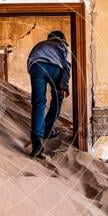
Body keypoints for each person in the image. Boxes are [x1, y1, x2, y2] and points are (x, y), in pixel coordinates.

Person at [27, 30, 71, 158]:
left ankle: (37, 139)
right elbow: (66, 66)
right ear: (62, 39)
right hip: (54, 67)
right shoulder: (60, 46)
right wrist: (64, 85)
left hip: (35, 66)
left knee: (38, 102)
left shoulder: (41, 44)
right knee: (58, 98)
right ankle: (48, 129)